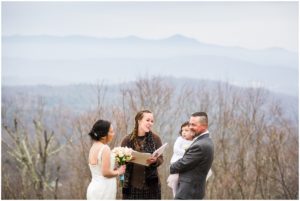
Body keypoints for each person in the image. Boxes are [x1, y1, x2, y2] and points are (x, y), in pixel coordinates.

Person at [121, 110, 164, 199]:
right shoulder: (127, 140)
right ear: (139, 121)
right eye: (147, 120)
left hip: (152, 185)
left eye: (152, 121)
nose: (150, 123)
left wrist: (155, 160)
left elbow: (161, 159)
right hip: (132, 185)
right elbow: (120, 160)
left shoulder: (156, 139)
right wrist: (126, 159)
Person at [170, 112, 214, 199]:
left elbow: (183, 163)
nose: (190, 127)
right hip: (192, 192)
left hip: (188, 193)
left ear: (204, 126)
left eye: (193, 125)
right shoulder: (206, 141)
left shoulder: (200, 145)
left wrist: (171, 167)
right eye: (190, 124)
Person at [86, 119, 126, 200]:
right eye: (111, 132)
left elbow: (100, 169)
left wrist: (113, 170)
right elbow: (105, 173)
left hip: (93, 188)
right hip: (104, 190)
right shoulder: (105, 148)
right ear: (103, 135)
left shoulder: (93, 147)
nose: (113, 134)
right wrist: (119, 171)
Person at [167, 121, 194, 197]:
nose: (184, 132)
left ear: (192, 132)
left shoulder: (194, 142)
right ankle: (175, 195)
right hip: (176, 163)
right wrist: (186, 154)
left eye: (186, 130)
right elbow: (176, 149)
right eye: (182, 130)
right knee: (175, 180)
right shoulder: (180, 139)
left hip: (187, 165)